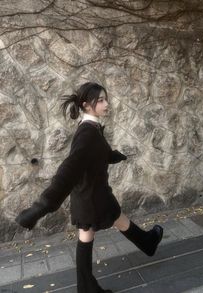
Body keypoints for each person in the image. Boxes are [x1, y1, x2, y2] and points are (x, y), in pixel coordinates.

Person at [15, 82, 164, 293]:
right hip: (93, 197)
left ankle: (146, 244)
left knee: (107, 224)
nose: (106, 103)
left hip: (91, 194)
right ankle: (89, 286)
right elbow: (68, 171)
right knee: (99, 228)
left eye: (106, 99)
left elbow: (93, 155)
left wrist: (112, 156)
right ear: (86, 105)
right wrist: (40, 207)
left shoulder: (91, 127)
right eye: (100, 100)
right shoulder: (87, 133)